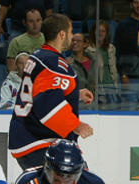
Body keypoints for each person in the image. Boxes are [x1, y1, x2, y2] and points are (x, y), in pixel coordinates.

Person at [8, 13, 94, 170]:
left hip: (29, 137)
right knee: (77, 183)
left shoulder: (38, 56)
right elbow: (47, 103)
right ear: (62, 34)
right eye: (69, 32)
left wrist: (75, 94)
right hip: (40, 140)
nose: (71, 35)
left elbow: (40, 90)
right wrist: (76, 125)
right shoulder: (53, 62)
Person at [6, 8, 44, 73]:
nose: (35, 24)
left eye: (38, 20)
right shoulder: (16, 42)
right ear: (24, 22)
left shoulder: (49, 39)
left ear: (42, 21)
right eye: (31, 21)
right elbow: (10, 68)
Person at [87, 20, 119, 87]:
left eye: (103, 31)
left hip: (112, 86)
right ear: (93, 32)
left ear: (106, 33)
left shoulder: (111, 48)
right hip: (97, 87)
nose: (100, 33)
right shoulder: (88, 50)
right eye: (98, 31)